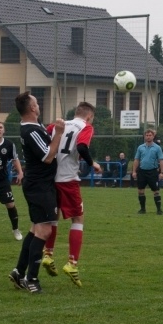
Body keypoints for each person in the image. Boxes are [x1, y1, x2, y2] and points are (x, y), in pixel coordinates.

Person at [7, 91, 65, 295]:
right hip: (40, 186)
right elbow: (48, 157)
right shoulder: (31, 131)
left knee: (35, 230)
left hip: (39, 184)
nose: (39, 105)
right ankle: (31, 278)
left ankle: (18, 271)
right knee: (44, 231)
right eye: (37, 103)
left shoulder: (33, 127)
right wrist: (58, 133)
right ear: (32, 108)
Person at [41, 101, 101, 288]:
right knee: (78, 219)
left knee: (53, 217)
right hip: (68, 180)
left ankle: (48, 255)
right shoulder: (86, 127)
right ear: (89, 116)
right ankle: (72, 263)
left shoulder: (58, 125)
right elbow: (82, 147)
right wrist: (93, 164)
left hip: (51, 178)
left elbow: (43, 139)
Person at [132, 129, 163, 215]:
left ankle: (159, 210)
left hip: (153, 172)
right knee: (140, 191)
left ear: (153, 136)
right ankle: (142, 209)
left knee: (156, 191)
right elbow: (137, 159)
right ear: (144, 136)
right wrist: (134, 171)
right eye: (146, 135)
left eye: (150, 135)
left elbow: (161, 160)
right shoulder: (140, 147)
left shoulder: (157, 148)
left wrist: (162, 172)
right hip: (142, 172)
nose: (148, 137)